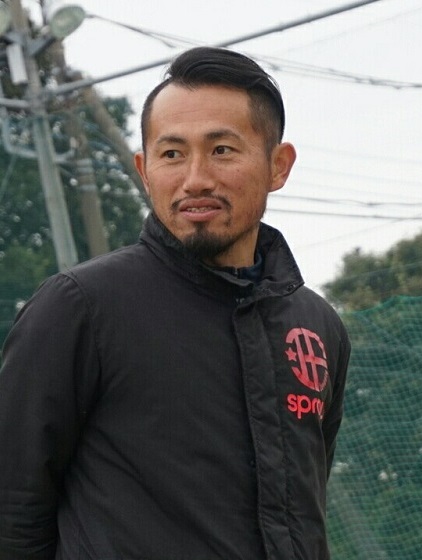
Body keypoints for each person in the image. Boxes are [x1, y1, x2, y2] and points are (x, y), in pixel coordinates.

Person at [0, 46, 350, 560]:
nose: (195, 179)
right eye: (171, 154)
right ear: (144, 170)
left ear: (278, 166)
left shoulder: (316, 326)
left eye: (222, 150)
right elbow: (12, 511)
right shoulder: (80, 308)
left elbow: (303, 505)